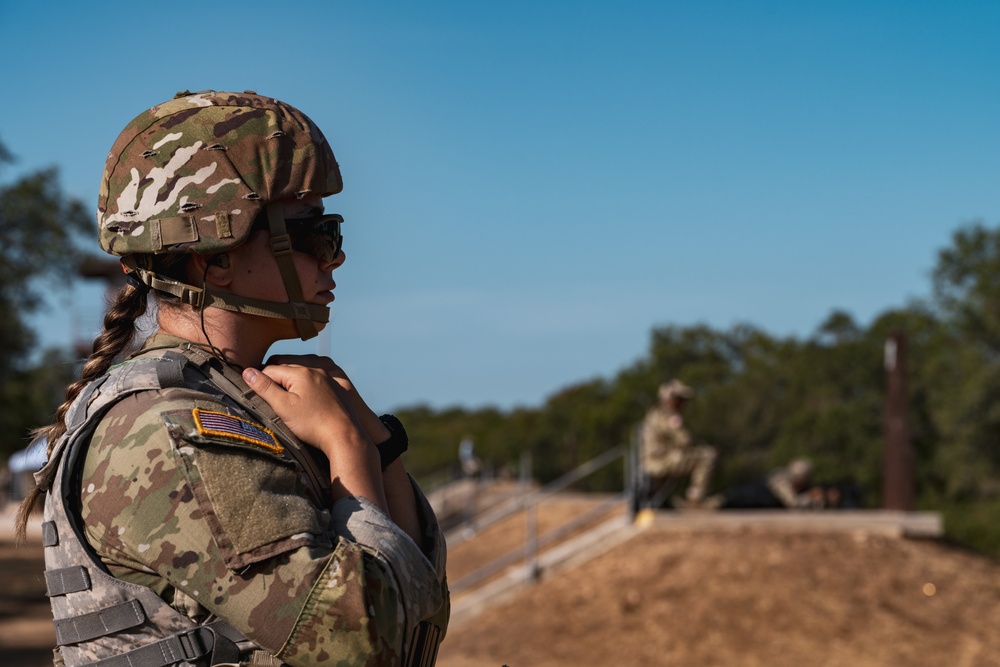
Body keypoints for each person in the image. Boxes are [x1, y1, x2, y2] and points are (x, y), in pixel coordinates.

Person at [16, 90, 449, 667]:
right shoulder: (169, 429)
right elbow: (362, 641)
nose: (334, 257)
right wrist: (348, 449)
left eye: (333, 231)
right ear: (213, 257)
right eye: (311, 233)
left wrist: (375, 443)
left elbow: (419, 610)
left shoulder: (249, 401)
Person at [638, 379, 717, 508]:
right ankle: (696, 499)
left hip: (655, 461)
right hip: (658, 463)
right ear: (671, 400)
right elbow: (685, 441)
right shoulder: (669, 417)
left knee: (699, 454)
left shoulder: (655, 413)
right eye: (680, 400)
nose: (683, 404)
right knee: (708, 455)